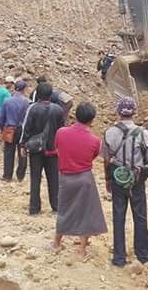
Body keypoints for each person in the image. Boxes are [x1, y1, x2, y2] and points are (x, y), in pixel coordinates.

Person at [102, 97, 148, 267]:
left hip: (118, 178)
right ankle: (142, 254)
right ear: (134, 112)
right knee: (140, 216)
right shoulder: (142, 133)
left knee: (118, 216)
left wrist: (108, 179)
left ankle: (119, 257)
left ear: (118, 112)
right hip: (137, 179)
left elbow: (106, 160)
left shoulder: (109, 132)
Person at [52, 102, 107, 256]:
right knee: (86, 212)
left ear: (75, 116)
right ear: (92, 120)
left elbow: (57, 149)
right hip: (84, 178)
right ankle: (82, 249)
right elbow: (93, 156)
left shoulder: (61, 132)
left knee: (64, 209)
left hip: (65, 177)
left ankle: (56, 243)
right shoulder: (95, 141)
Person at [21, 82, 65, 215]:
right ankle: (56, 206)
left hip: (36, 150)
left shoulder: (32, 108)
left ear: (38, 94)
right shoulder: (58, 109)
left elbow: (26, 128)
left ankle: (34, 208)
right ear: (50, 95)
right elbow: (61, 130)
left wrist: (23, 145)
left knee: (35, 179)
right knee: (54, 179)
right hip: (53, 150)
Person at [0, 80, 30, 182]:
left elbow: (2, 117)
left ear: (14, 88)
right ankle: (20, 176)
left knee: (8, 153)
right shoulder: (27, 102)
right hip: (22, 130)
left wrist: (0, 128)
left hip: (9, 130)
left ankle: (7, 176)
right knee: (22, 152)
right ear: (24, 89)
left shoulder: (7, 101)